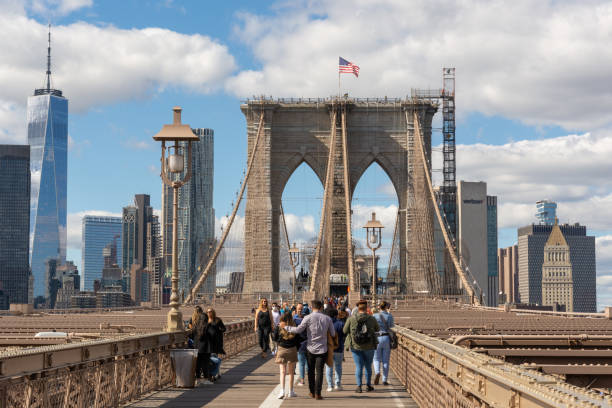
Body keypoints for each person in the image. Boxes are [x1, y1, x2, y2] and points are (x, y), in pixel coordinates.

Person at [283, 300, 335, 400]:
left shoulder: (307, 318)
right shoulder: (327, 318)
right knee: (320, 371)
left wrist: (285, 327)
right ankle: (318, 393)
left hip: (310, 348)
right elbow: (332, 333)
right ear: (321, 307)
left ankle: (311, 391)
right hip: (323, 348)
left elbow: (298, 330)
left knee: (310, 371)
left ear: (311, 307)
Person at [344, 299, 379, 393]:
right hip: (369, 346)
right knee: (368, 366)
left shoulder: (351, 318)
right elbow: (377, 329)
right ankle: (368, 385)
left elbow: (344, 331)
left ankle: (359, 386)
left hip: (356, 346)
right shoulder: (371, 318)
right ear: (366, 308)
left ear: (357, 308)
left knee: (359, 366)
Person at [272, 312, 303, 399]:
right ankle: (291, 391)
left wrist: (279, 342)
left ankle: (282, 390)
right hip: (292, 349)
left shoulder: (279, 327)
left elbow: (274, 338)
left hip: (281, 349)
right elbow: (299, 340)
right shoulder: (294, 327)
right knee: (291, 372)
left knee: (282, 371)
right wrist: (296, 347)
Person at [196, 307, 226, 382]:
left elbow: (223, 329)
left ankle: (214, 374)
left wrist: (217, 332)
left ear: (213, 312)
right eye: (207, 312)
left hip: (215, 342)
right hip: (208, 344)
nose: (209, 313)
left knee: (214, 357)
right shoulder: (205, 322)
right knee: (209, 360)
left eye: (210, 312)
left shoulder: (217, 320)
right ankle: (209, 375)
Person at [373, 301, 394, 386]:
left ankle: (377, 372)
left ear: (379, 307)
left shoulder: (374, 316)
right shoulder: (389, 316)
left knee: (376, 358)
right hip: (386, 338)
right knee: (386, 360)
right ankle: (384, 379)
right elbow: (391, 327)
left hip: (377, 337)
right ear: (386, 307)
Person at [325, 308, 345, 391]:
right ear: (336, 315)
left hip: (328, 348)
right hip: (339, 348)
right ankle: (338, 384)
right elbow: (344, 335)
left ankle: (330, 385)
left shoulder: (325, 324)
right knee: (338, 367)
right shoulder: (341, 324)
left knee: (329, 367)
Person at [293, 303, 308, 386]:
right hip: (299, 343)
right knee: (303, 362)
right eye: (298, 309)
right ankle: (302, 378)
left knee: (304, 362)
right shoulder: (294, 319)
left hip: (306, 343)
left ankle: (303, 379)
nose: (300, 310)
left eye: (301, 309)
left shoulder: (304, 319)